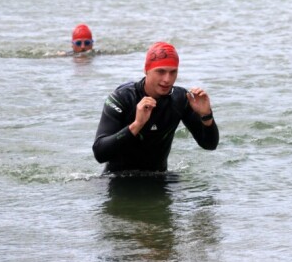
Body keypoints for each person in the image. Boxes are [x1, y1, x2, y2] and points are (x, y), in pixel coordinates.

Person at [92, 42, 219, 173]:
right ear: (146, 70)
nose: (167, 79)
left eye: (173, 72)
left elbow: (210, 145)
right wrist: (137, 124)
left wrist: (206, 116)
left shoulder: (180, 99)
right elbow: (100, 153)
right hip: (119, 180)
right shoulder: (123, 98)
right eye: (161, 71)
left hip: (159, 178)